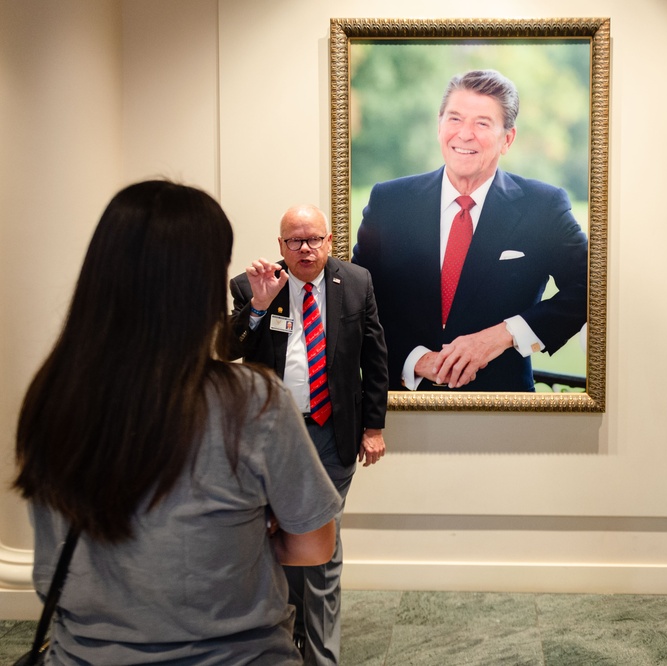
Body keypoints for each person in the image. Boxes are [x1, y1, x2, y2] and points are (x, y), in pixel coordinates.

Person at [13, 180, 339, 664]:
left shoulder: (50, 400)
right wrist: (244, 535)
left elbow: (52, 574)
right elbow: (315, 544)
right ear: (200, 285)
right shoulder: (252, 401)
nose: (305, 247)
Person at [352, 68, 589, 392]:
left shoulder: (543, 206)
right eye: (454, 119)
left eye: (482, 123)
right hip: (398, 406)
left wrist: (505, 334)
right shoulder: (390, 201)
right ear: (439, 125)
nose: (464, 134)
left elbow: (590, 288)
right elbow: (357, 299)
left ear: (507, 139)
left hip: (502, 407)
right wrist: (415, 360)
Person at [229, 203, 389, 665]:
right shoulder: (254, 285)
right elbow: (230, 349)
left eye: (314, 239)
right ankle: (290, 635)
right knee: (281, 540)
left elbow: (376, 359)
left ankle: (321, 655)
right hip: (271, 437)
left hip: (332, 432)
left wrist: (374, 428)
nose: (305, 248)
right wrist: (259, 305)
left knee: (320, 543)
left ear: (329, 241)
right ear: (280, 246)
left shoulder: (356, 282)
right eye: (295, 240)